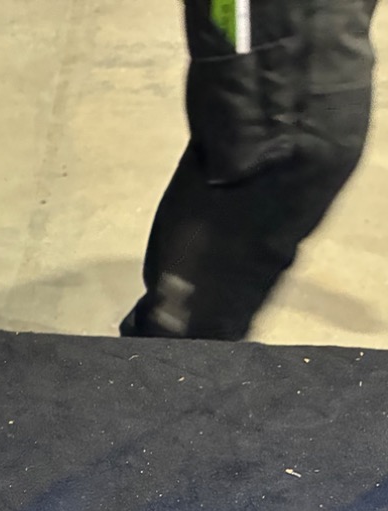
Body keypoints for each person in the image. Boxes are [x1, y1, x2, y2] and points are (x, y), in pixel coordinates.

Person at [122, 0, 379, 340]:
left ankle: (173, 340)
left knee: (267, 142)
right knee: (266, 145)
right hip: (275, 84)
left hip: (282, 77)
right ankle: (173, 342)